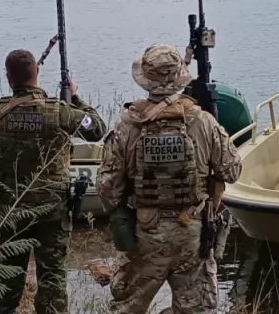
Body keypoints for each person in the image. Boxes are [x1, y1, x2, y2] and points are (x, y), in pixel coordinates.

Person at [96, 43, 242, 314]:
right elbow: (232, 171)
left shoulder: (127, 124)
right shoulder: (203, 121)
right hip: (193, 233)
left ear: (146, 80)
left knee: (127, 308)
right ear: (179, 78)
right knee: (195, 309)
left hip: (144, 233)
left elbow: (107, 188)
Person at [0, 49, 106, 314]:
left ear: (9, 78)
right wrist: (76, 97)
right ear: (38, 73)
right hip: (52, 212)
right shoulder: (61, 113)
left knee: (7, 280)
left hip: (12, 211)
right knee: (52, 281)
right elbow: (96, 129)